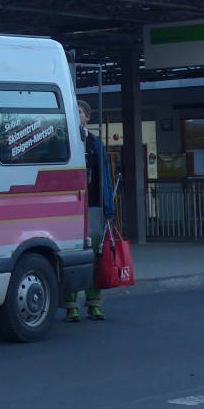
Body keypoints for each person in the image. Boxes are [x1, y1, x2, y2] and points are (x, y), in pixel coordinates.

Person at [65, 99, 116, 322]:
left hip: (94, 206)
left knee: (95, 256)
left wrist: (109, 209)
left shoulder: (95, 143)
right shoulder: (64, 140)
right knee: (73, 258)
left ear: (87, 116)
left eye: (80, 111)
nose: (77, 115)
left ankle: (94, 304)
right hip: (70, 209)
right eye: (73, 111)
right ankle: (70, 306)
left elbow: (105, 176)